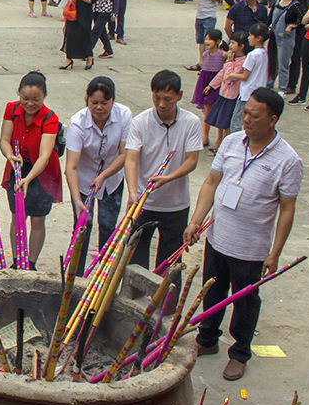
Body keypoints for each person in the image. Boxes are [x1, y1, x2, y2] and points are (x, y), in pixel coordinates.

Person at [186, 87, 301, 381]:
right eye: (245, 112)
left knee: (245, 300)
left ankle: (239, 352)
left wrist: (275, 252)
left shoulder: (288, 160)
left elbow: (287, 209)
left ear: (272, 119)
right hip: (217, 235)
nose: (246, 119)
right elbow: (212, 182)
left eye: (254, 115)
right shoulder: (232, 142)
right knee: (211, 289)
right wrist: (196, 220)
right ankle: (207, 339)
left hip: (250, 247)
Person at [124, 70, 203, 268]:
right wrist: (133, 193)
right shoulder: (140, 121)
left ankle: (166, 299)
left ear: (179, 96)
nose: (161, 104)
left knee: (169, 263)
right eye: (156, 98)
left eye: (167, 99)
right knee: (135, 260)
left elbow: (192, 160)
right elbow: (131, 159)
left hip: (176, 204)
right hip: (144, 202)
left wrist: (168, 178)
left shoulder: (191, 123)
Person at [64, 76, 131, 275]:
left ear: (113, 101)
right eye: (94, 103)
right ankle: (75, 277)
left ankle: (103, 276)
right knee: (82, 228)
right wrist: (77, 200)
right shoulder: (77, 123)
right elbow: (72, 166)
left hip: (112, 179)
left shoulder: (124, 115)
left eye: (105, 103)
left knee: (108, 226)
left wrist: (105, 176)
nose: (99, 107)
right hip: (84, 181)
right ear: (87, 100)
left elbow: (125, 154)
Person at [0, 71, 62, 269]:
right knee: (17, 215)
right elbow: (4, 140)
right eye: (25, 98)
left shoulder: (50, 118)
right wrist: (9, 156)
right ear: (19, 94)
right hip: (17, 166)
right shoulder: (11, 109)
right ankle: (17, 261)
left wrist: (28, 178)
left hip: (42, 173)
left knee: (37, 218)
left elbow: (44, 155)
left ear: (44, 96)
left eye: (36, 99)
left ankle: (31, 263)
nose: (30, 104)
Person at [204, 31, 247, 151]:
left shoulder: (243, 62)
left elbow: (230, 77)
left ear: (241, 46)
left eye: (233, 43)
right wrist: (212, 85)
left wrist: (228, 62)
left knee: (227, 122)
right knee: (221, 121)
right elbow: (222, 73)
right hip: (223, 94)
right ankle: (222, 143)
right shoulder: (233, 58)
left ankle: (223, 145)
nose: (231, 45)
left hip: (232, 96)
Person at [230, 24, 271, 129]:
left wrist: (231, 75)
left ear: (258, 38)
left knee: (237, 122)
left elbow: (245, 76)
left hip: (247, 92)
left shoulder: (252, 55)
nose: (248, 38)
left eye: (250, 35)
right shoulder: (265, 53)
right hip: (258, 90)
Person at [188, 0, 224, 69]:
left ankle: (208, 63)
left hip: (210, 14)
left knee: (208, 40)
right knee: (200, 40)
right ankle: (201, 62)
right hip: (200, 13)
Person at [192, 29, 225, 146]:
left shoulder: (222, 55)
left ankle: (220, 138)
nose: (206, 41)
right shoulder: (205, 54)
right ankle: (205, 137)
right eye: (206, 39)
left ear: (218, 41)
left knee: (219, 112)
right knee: (207, 111)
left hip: (216, 84)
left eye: (209, 39)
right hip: (205, 82)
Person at [62, 0, 95, 70]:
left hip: (85, 13)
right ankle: (68, 58)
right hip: (74, 12)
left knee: (85, 35)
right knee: (70, 35)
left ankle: (89, 57)